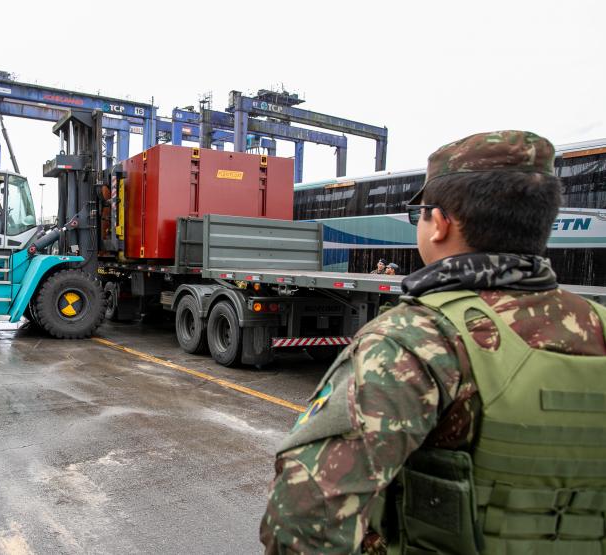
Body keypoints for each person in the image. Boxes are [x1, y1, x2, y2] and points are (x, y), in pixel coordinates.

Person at [260, 130, 606, 554]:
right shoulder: (599, 325)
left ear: (439, 223)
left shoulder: (413, 340)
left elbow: (303, 517)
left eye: (420, 215)